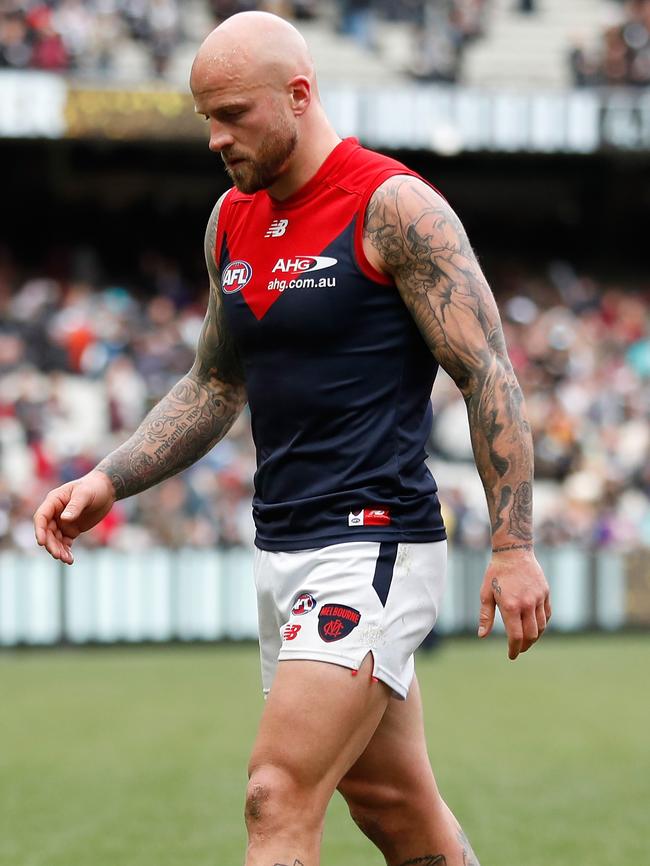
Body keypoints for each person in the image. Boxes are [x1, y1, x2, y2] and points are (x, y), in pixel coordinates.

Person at [34, 11, 551, 866]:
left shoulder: (394, 207)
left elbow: (487, 371)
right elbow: (212, 383)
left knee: (275, 795)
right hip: (282, 547)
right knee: (395, 810)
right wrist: (109, 479)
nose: (213, 137)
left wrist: (514, 543)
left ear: (299, 94)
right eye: (206, 115)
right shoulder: (229, 222)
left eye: (232, 113)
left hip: (375, 545)